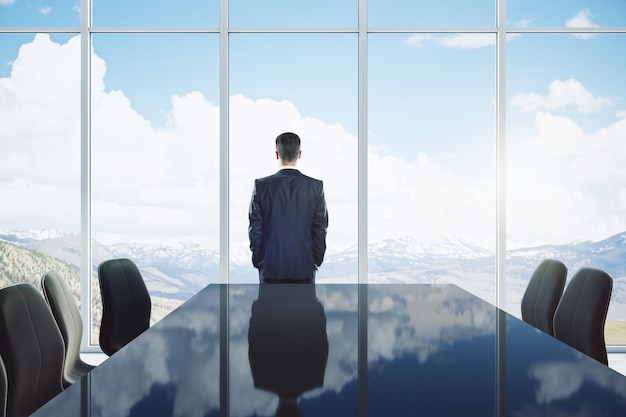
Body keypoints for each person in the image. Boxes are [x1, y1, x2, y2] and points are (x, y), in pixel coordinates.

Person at [248, 132, 328, 283]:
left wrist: (260, 262)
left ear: (277, 154)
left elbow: (255, 229)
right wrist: (314, 262)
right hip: (304, 267)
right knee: (305, 307)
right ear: (300, 154)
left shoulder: (261, 186)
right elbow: (320, 228)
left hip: (270, 268)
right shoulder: (316, 187)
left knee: (269, 307)